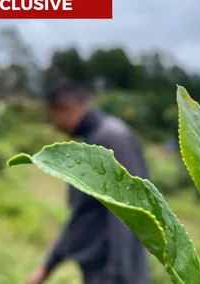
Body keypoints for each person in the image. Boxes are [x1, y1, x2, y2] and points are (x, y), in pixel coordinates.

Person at [26, 81, 151, 284]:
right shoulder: (93, 140)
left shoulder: (111, 139)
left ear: (64, 108)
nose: (55, 125)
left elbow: (127, 212)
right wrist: (48, 266)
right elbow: (83, 214)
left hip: (114, 272)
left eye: (53, 118)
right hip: (99, 269)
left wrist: (118, 274)